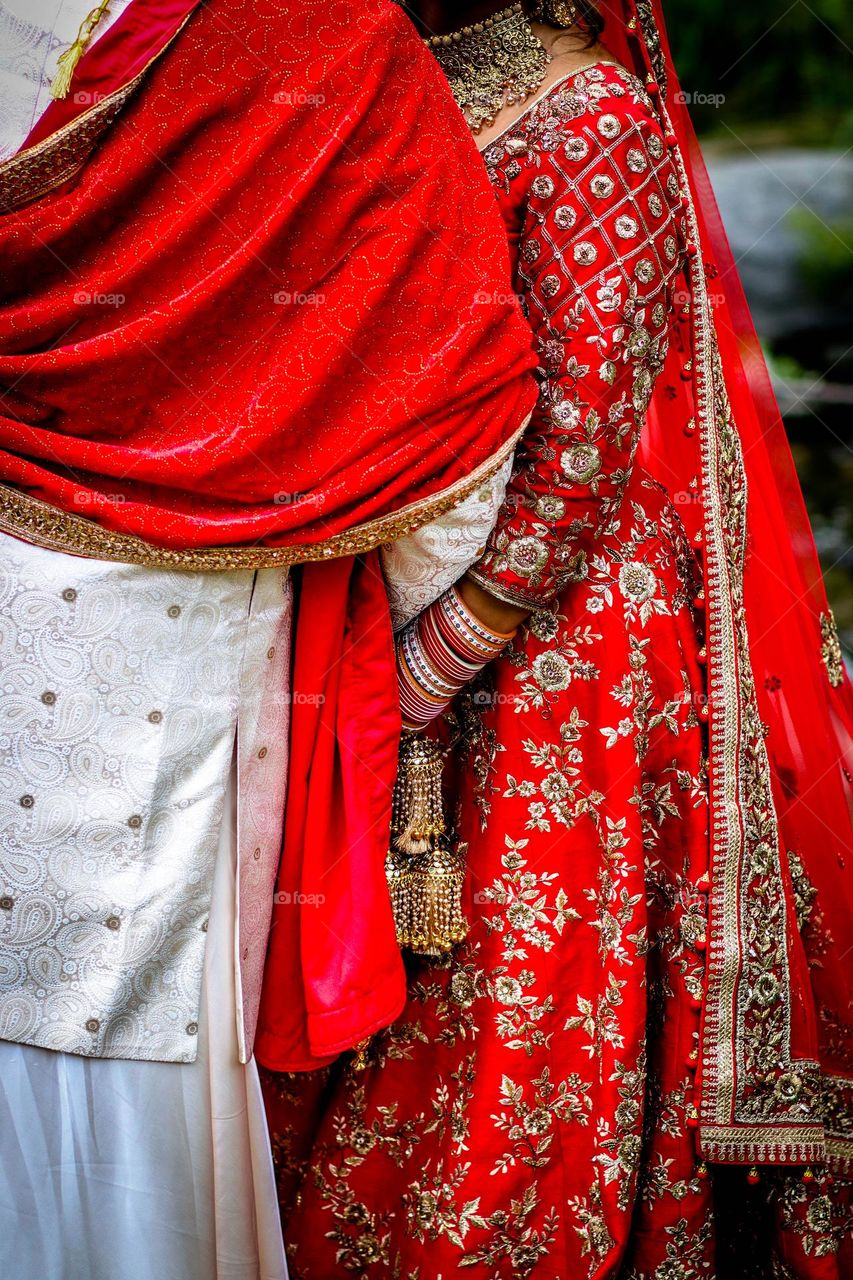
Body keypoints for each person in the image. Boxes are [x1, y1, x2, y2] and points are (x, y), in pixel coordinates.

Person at [262, 2, 853, 1276]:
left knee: (513, 988)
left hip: (556, 651)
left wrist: (435, 657)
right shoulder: (404, 86)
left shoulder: (594, 117)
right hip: (378, 608)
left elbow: (583, 435)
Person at [0, 1, 539, 1276]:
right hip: (196, 610)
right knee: (128, 1002)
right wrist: (407, 620)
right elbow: (454, 399)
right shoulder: (343, 42)